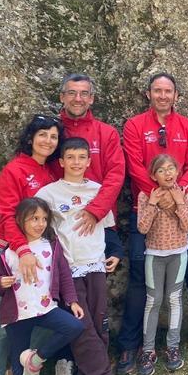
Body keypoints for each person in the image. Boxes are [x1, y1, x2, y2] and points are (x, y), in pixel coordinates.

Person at [118, 73, 188, 375]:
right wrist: (159, 194)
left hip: (181, 208)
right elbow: (134, 166)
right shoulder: (134, 126)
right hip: (147, 206)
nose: (163, 96)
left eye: (168, 91)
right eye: (158, 91)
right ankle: (131, 345)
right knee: (140, 276)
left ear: (176, 96)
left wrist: (177, 192)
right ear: (148, 94)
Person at [0, 114, 64, 375]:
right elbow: (6, 214)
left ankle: (21, 369)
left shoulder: (51, 171)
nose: (48, 141)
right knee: (2, 318)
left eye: (53, 136)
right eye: (43, 135)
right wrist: (22, 251)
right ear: (31, 138)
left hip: (40, 251)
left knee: (41, 312)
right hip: (11, 250)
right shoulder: (15, 168)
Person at [35, 138, 113, 375]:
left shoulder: (98, 190)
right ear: (61, 161)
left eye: (81, 157)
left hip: (97, 263)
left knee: (99, 320)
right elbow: (35, 226)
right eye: (70, 157)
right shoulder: (48, 193)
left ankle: (86, 370)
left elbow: (108, 227)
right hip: (68, 268)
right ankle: (101, 373)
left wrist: (115, 253)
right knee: (81, 324)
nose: (76, 162)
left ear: (89, 161)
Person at [0, 197, 84, 375]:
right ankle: (22, 369)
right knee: (19, 369)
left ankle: (36, 359)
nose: (40, 224)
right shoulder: (10, 253)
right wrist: (0, 283)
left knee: (74, 326)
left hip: (46, 309)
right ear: (19, 220)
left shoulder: (52, 246)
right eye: (34, 218)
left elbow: (64, 275)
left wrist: (72, 301)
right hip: (18, 316)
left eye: (44, 219)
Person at [51, 73, 124, 276]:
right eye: (72, 93)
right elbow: (29, 164)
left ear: (91, 99)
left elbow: (116, 175)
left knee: (95, 288)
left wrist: (95, 211)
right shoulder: (51, 132)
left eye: (84, 94)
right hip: (59, 222)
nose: (78, 99)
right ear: (62, 97)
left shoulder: (106, 133)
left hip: (99, 221)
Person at [136, 154, 188, 374]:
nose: (168, 173)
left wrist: (179, 201)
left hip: (178, 253)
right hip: (154, 254)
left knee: (174, 299)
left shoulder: (184, 194)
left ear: (178, 172)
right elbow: (142, 228)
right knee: (153, 300)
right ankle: (149, 350)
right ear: (153, 175)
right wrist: (152, 203)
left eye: (171, 168)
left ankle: (173, 347)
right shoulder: (145, 195)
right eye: (161, 170)